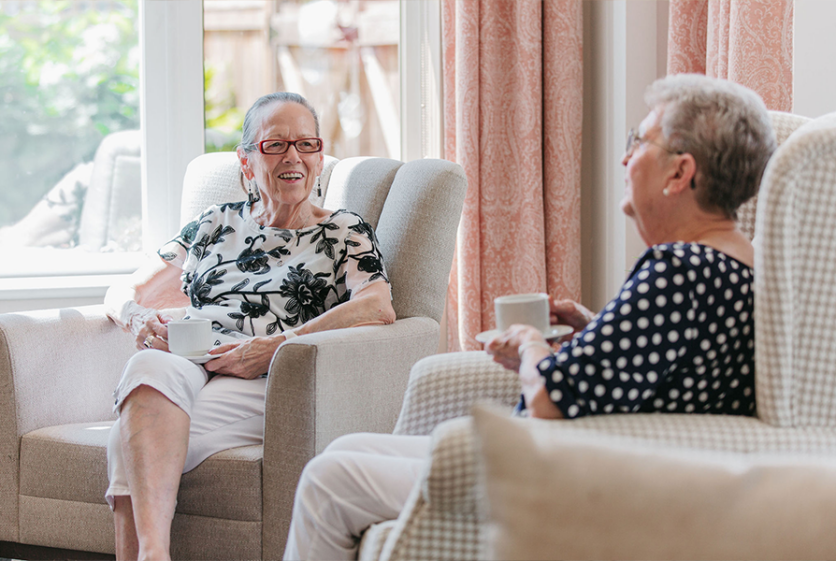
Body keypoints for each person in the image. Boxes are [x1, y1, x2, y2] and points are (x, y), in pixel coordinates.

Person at [281, 74, 777, 561]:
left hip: (575, 469)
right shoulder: (737, 263)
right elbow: (670, 363)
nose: (626, 158)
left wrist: (529, 344)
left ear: (679, 173)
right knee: (346, 449)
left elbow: (548, 400)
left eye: (639, 141)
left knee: (330, 481)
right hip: (616, 452)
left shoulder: (677, 268)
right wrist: (596, 327)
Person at [103, 92, 396, 561]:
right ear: (246, 160)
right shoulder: (213, 224)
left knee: (129, 436)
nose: (292, 156)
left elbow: (377, 307)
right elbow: (125, 290)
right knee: (147, 370)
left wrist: (275, 344)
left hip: (269, 374)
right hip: (194, 358)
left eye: (305, 144)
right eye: (275, 145)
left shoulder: (343, 229)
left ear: (319, 157)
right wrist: (136, 317)